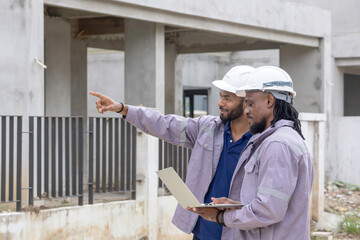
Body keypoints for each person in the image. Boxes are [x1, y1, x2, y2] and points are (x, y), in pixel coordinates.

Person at [89, 65, 254, 240]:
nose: (220, 103)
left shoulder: (265, 142)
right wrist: (123, 109)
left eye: (227, 98)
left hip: (240, 233)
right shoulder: (207, 128)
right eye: (221, 96)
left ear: (247, 103)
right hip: (203, 232)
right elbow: (165, 124)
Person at [190, 66, 314, 239]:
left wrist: (221, 217)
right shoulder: (284, 139)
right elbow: (275, 203)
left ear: (270, 101)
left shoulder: (277, 145)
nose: (246, 110)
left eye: (250, 103)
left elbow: (268, 211)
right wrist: (240, 206)